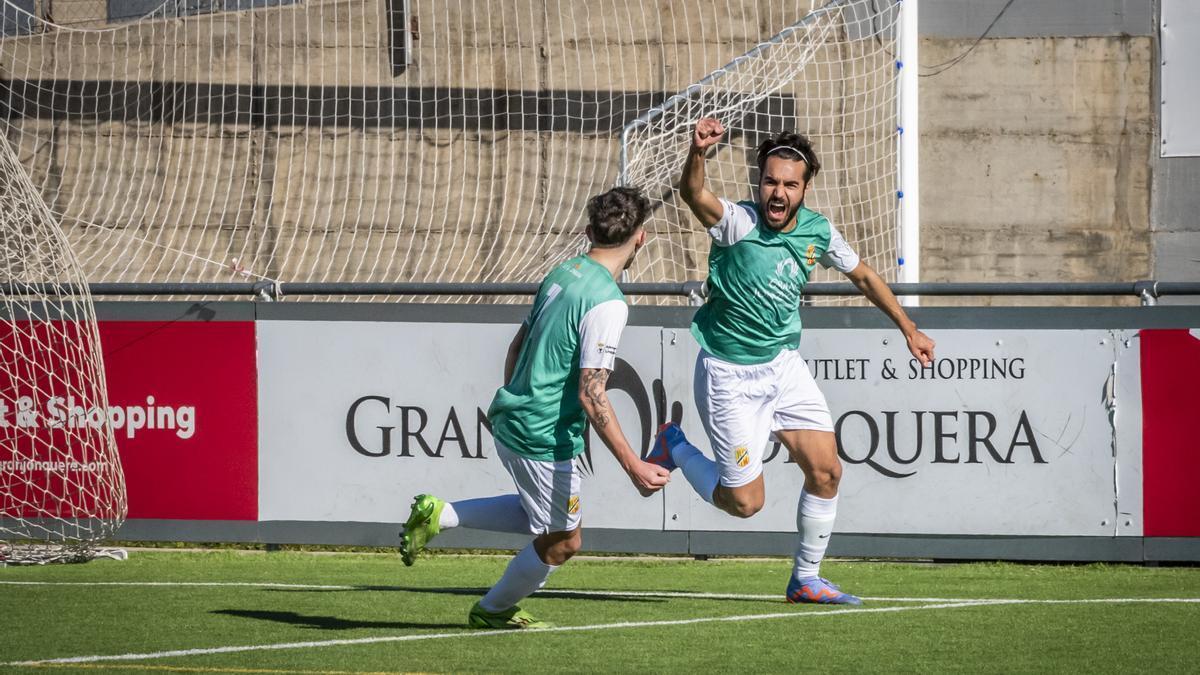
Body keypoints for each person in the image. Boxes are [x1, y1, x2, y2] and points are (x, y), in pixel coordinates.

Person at [646, 117, 935, 605]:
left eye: (789, 185)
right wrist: (697, 153)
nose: (777, 193)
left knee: (827, 472)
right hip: (729, 376)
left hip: (783, 368)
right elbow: (694, 194)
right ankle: (673, 444)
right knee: (744, 504)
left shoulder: (818, 232)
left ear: (805, 188)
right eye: (770, 182)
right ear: (759, 182)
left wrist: (908, 328)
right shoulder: (737, 223)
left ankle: (805, 578)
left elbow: (862, 275)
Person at [399, 186, 670, 629]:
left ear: (588, 232)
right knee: (565, 541)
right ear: (641, 238)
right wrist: (634, 465)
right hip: (543, 433)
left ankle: (440, 514)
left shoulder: (565, 271)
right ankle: (493, 610)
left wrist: (519, 399)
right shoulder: (608, 303)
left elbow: (517, 344)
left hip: (514, 416)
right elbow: (592, 393)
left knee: (538, 514)